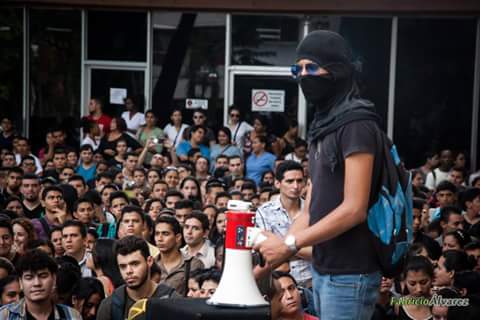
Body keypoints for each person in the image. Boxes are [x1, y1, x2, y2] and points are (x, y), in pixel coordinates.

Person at [255, 30, 385, 320]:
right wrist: (279, 250)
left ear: (337, 70)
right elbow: (310, 208)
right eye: (297, 69)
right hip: (323, 267)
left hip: (350, 272)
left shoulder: (357, 124)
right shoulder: (322, 126)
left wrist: (289, 244)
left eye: (311, 67)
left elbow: (354, 209)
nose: (303, 76)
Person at [255, 161, 312, 288]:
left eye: (299, 180)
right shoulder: (264, 212)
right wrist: (302, 246)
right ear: (277, 183)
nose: (296, 186)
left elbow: (318, 252)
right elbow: (267, 252)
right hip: (280, 283)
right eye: (290, 181)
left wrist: (280, 245)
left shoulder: (313, 209)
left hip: (312, 280)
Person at [96, 236, 176, 320]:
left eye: (135, 264)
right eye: (123, 266)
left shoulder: (172, 300)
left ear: (149, 261)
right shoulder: (110, 305)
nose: (128, 271)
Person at [0, 249, 81, 319]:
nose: (37, 283)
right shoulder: (4, 316)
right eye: (29, 277)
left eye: (43, 276)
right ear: (20, 282)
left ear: (54, 279)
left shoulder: (71, 316)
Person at [154, 215, 204, 296]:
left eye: (165, 234)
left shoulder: (193, 264)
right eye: (157, 234)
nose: (159, 239)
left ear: (177, 237)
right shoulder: (150, 265)